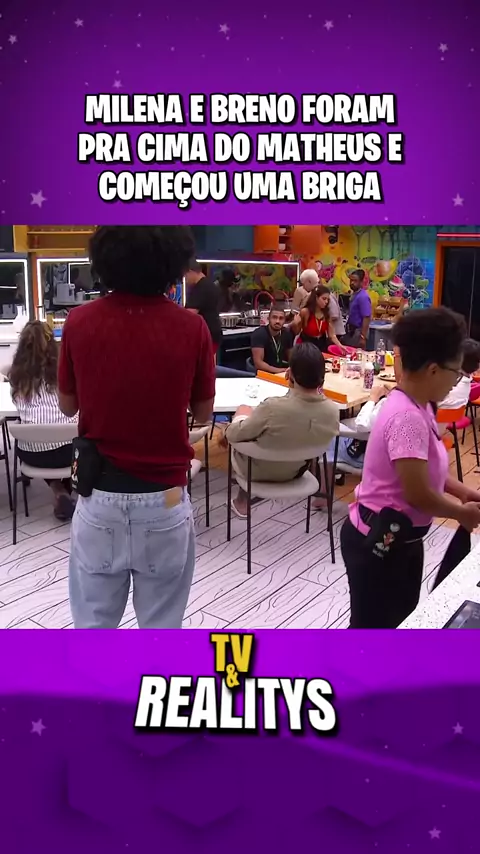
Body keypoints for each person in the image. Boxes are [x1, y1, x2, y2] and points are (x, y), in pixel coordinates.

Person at [57, 226, 216, 630]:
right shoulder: (191, 328)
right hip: (165, 498)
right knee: (161, 633)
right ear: (172, 262)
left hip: (99, 495)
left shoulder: (79, 321)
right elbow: (202, 412)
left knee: (93, 632)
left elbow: (68, 405)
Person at [340, 307, 480, 629]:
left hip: (400, 539)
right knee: (373, 630)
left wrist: (464, 493)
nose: (457, 381)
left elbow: (425, 469)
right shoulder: (407, 418)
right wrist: (461, 513)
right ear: (433, 370)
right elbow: (417, 494)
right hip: (377, 542)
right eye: (456, 373)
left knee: (397, 621)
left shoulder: (420, 404)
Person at [223, 343, 339, 517]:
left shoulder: (272, 407)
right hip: (295, 472)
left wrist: (240, 417)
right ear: (322, 377)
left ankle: (242, 502)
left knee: (246, 422)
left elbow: (233, 435)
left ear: (289, 374)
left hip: (255, 472)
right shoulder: (332, 411)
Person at [9, 321, 78, 521]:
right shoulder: (64, 373)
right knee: (77, 440)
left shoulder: (16, 377)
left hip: (31, 453)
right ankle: (66, 491)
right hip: (68, 454)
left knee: (43, 443)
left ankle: (58, 490)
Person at [185, 260, 223, 357]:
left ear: (190, 271)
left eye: (185, 275)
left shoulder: (201, 288)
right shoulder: (210, 285)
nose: (185, 279)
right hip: (213, 333)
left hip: (206, 335)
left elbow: (189, 314)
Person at [294, 285, 346, 354]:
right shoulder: (305, 312)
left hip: (322, 344)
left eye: (328, 299)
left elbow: (332, 335)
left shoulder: (326, 313)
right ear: (316, 297)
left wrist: (340, 345)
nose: (326, 302)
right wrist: (296, 324)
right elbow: (297, 332)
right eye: (324, 299)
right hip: (308, 345)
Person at [250, 305, 293, 374]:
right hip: (261, 373)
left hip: (279, 371)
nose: (277, 321)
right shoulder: (259, 334)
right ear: (268, 318)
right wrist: (280, 371)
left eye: (281, 318)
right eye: (274, 317)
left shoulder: (286, 334)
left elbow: (291, 358)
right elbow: (258, 363)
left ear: (284, 321)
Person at [345, 270, 371, 348]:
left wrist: (363, 337)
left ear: (361, 282)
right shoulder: (354, 294)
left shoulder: (363, 297)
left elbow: (366, 317)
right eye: (351, 280)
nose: (352, 283)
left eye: (355, 281)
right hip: (351, 331)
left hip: (358, 332)